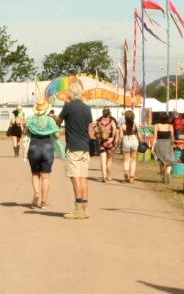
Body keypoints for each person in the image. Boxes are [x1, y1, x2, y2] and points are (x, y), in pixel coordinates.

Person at [56, 82, 93, 219]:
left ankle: (77, 209)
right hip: (85, 147)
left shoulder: (68, 107)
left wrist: (66, 103)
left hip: (73, 147)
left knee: (75, 178)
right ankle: (85, 208)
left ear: (70, 94)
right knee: (83, 177)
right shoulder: (87, 108)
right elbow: (90, 130)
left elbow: (58, 122)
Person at [25, 98, 59, 209]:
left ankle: (36, 193)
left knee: (35, 174)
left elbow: (25, 131)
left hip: (34, 146)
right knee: (45, 177)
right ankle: (43, 202)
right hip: (47, 147)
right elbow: (57, 135)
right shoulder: (50, 120)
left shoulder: (30, 119)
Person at [95, 107, 118, 184]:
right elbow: (114, 129)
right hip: (109, 142)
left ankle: (103, 176)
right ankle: (109, 175)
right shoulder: (111, 121)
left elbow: (94, 126)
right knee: (109, 160)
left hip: (102, 142)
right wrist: (112, 137)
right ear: (109, 113)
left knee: (102, 160)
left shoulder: (99, 121)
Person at [153, 112, 175, 184]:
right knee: (169, 162)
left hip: (160, 144)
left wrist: (153, 147)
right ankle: (168, 172)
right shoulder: (170, 126)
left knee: (161, 162)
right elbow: (172, 137)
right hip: (167, 143)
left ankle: (163, 179)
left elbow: (155, 137)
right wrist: (171, 144)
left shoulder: (157, 126)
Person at [120, 109, 141, 183]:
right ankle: (132, 177)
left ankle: (126, 171)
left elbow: (121, 136)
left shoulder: (123, 125)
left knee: (126, 160)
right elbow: (139, 135)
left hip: (126, 140)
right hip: (134, 140)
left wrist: (118, 143)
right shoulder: (136, 125)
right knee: (133, 160)